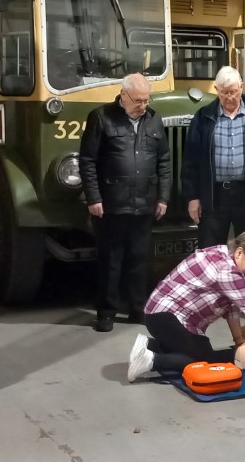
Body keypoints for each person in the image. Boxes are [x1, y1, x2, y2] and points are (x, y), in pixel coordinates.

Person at [126, 230, 245, 383]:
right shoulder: (228, 271)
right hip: (166, 318)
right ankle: (152, 360)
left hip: (158, 313)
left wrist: (238, 340)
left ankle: (149, 345)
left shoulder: (221, 252)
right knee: (206, 362)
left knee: (198, 350)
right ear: (240, 252)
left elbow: (230, 305)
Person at [183, 66, 245, 318]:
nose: (230, 97)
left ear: (242, 86)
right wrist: (193, 197)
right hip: (213, 195)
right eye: (224, 93)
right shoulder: (203, 118)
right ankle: (210, 304)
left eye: (234, 91)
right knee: (209, 252)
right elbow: (191, 161)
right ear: (216, 91)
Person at [79, 73, 171, 333]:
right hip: (111, 204)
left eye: (146, 99)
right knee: (111, 260)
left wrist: (163, 197)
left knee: (139, 260)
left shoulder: (154, 120)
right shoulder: (101, 118)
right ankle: (106, 313)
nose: (143, 105)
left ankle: (137, 309)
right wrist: (94, 197)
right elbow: (87, 161)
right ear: (124, 96)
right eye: (138, 100)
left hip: (144, 203)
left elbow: (163, 160)